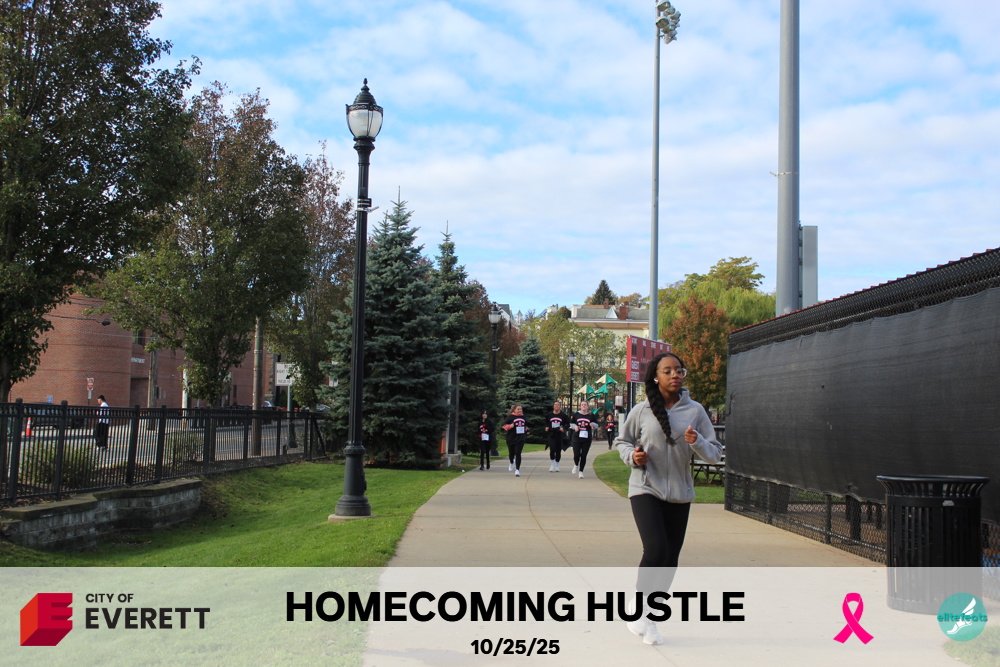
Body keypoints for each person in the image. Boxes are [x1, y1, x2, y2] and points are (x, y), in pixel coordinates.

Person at [614, 352, 723, 646]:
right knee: (657, 549)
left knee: (670, 558)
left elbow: (715, 454)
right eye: (668, 370)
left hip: (679, 493)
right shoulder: (641, 410)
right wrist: (633, 457)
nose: (675, 375)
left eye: (679, 370)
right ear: (656, 377)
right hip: (645, 487)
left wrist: (697, 442)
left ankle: (650, 618)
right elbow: (622, 442)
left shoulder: (695, 411)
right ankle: (639, 607)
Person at [568, 399, 597, 479]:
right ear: (580, 406)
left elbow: (596, 424)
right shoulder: (576, 414)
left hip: (586, 438)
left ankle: (581, 472)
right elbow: (571, 423)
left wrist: (593, 425)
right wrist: (575, 427)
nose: (584, 406)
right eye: (582, 405)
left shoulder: (591, 415)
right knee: (576, 454)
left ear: (587, 406)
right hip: (577, 437)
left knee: (584, 455)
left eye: (585, 405)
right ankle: (576, 464)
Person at [501, 404, 529, 477]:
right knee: (511, 453)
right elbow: (504, 426)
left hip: (520, 438)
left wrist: (527, 430)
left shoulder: (523, 417)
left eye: (520, 409)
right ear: (514, 410)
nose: (520, 410)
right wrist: (510, 426)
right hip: (511, 438)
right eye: (518, 409)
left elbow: (526, 425)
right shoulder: (510, 417)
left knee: (518, 453)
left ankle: (517, 470)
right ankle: (511, 462)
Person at [543, 401, 568, 472]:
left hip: (559, 434)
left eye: (558, 405)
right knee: (552, 449)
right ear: (553, 406)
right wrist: (547, 427)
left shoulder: (563, 415)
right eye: (555, 405)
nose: (556, 406)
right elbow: (546, 422)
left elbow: (568, 423)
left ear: (560, 406)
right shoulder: (549, 415)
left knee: (558, 450)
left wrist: (563, 428)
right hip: (551, 434)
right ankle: (552, 464)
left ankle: (557, 465)